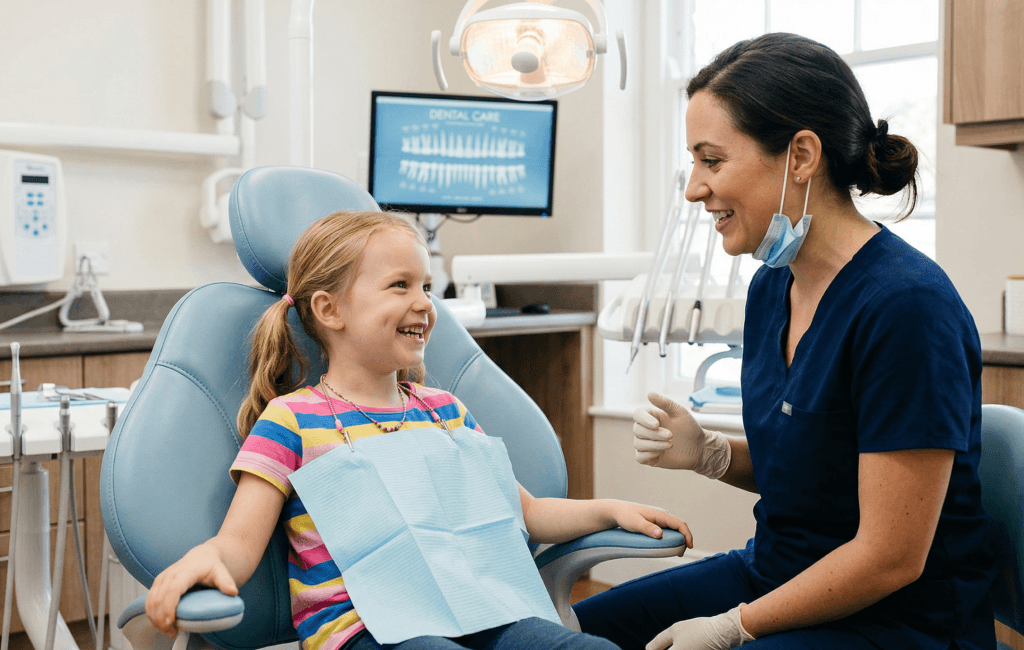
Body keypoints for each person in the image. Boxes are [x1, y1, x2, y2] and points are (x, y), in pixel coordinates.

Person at [574, 32, 995, 650]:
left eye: (712, 161)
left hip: (898, 620)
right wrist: (713, 454)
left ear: (801, 155)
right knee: (574, 632)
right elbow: (811, 471)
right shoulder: (773, 286)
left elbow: (890, 558)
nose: (693, 188)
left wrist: (733, 627)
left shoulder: (907, 309)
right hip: (776, 573)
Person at [145, 209, 692, 650]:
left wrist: (610, 508)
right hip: (366, 631)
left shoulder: (443, 410)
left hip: (479, 609)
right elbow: (239, 543)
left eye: (427, 286)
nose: (424, 304)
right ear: (329, 309)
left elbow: (523, 511)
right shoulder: (292, 420)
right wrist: (207, 560)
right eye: (400, 285)